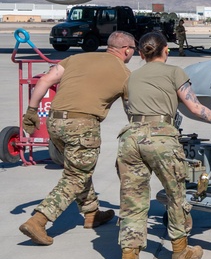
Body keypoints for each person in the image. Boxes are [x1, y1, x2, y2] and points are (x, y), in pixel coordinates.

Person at [115, 31, 211, 259]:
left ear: (141, 53)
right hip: (161, 138)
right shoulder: (174, 72)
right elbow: (195, 107)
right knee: (176, 195)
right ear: (166, 50)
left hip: (130, 138)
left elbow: (129, 110)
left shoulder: (131, 78)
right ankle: (180, 252)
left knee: (132, 200)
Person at [19, 31, 136, 245]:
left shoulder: (76, 58)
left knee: (79, 168)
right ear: (127, 50)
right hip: (82, 126)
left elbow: (45, 80)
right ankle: (39, 220)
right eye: (133, 50)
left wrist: (31, 111)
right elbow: (132, 108)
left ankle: (91, 213)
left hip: (54, 122)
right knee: (76, 175)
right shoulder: (124, 73)